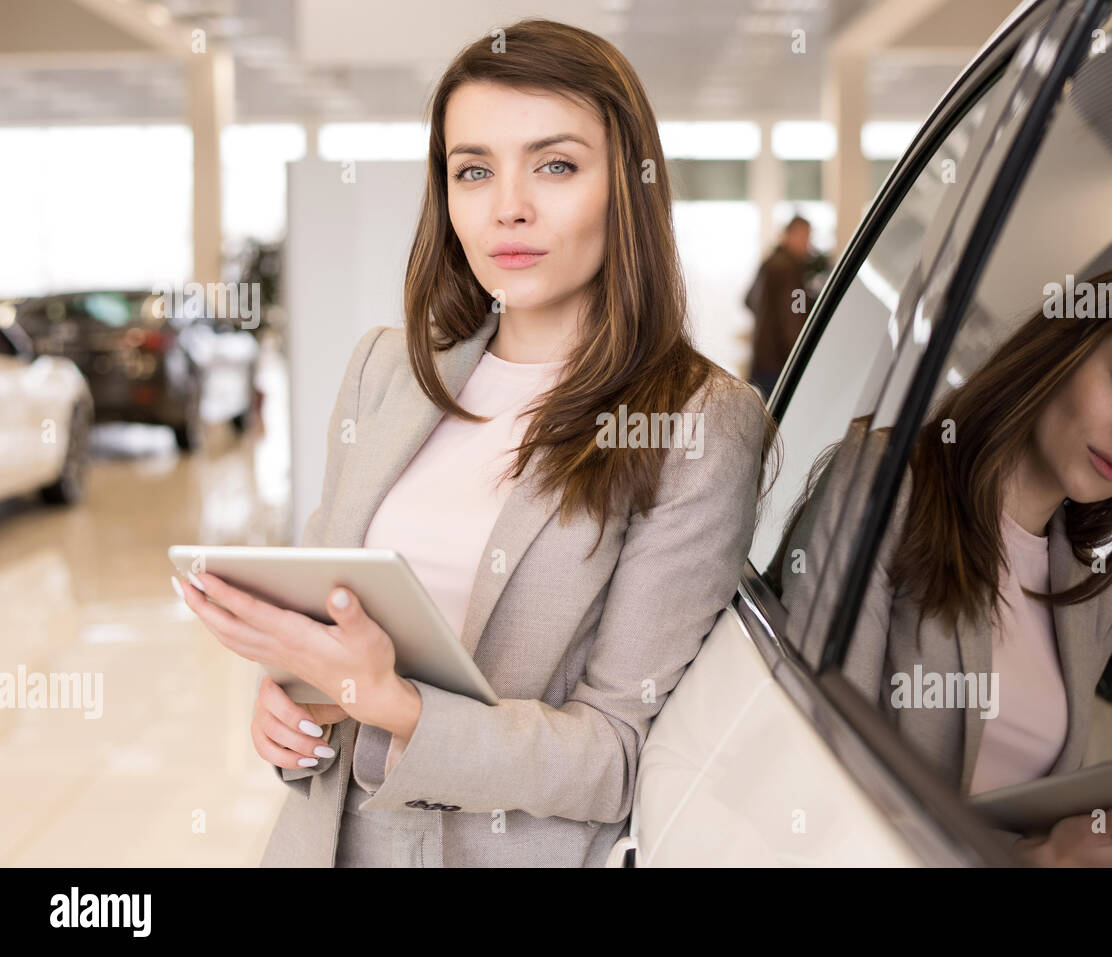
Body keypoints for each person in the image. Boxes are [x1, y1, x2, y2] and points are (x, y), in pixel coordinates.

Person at [172, 18, 778, 868]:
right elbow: (327, 637)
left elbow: (619, 754)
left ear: (629, 187)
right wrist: (293, 712)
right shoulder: (387, 370)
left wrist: (395, 702)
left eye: (556, 165)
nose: (508, 207)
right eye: (474, 170)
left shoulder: (698, 422)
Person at [776, 264, 1112, 865]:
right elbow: (819, 759)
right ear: (1063, 350)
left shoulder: (1098, 600)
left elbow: (1019, 815)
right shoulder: (888, 484)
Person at [746, 215, 815, 399]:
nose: (808, 244)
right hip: (780, 362)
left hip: (763, 359)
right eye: (805, 237)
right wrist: (800, 355)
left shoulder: (769, 262)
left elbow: (748, 300)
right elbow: (795, 315)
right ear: (790, 235)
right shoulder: (790, 269)